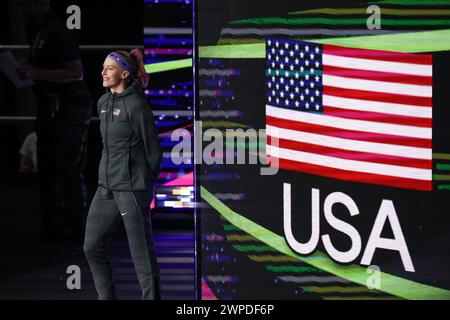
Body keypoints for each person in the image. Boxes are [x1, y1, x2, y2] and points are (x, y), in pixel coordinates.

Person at [83, 49, 163, 300]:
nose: (103, 72)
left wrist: (144, 187)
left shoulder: (137, 106)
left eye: (110, 68)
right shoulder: (103, 103)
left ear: (124, 74)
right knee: (92, 247)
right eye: (103, 67)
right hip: (105, 188)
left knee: (141, 256)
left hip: (131, 189)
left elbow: (154, 152)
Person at [17, 0, 92, 254]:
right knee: (49, 166)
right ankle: (57, 225)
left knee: (69, 168)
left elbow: (75, 72)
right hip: (52, 108)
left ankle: (77, 227)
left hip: (68, 107)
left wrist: (35, 72)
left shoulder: (58, 31)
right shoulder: (41, 32)